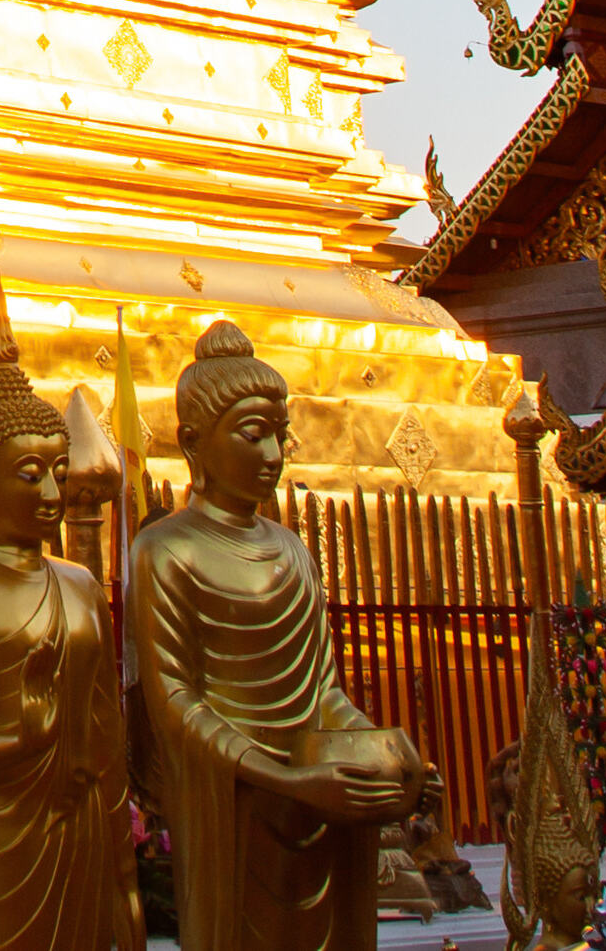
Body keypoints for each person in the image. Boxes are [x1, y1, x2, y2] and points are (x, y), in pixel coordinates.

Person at [124, 324, 414, 951]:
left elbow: (323, 695)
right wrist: (281, 780)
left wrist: (383, 753)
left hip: (317, 805)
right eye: (252, 435)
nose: (273, 455)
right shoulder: (164, 550)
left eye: (279, 436)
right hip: (232, 806)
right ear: (192, 442)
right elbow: (175, 705)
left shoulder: (292, 551)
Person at [0, 293, 139, 951]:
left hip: (87, 823)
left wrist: (126, 877)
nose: (50, 495)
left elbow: (104, 734)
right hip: (1, 829)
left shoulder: (81, 584)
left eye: (59, 473)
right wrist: (20, 739)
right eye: (30, 474)